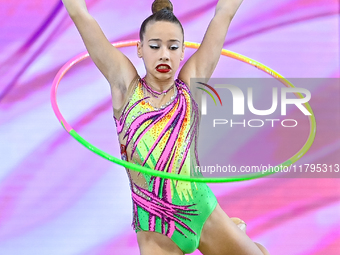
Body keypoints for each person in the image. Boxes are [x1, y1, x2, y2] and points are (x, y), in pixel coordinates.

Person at [62, 0, 270, 254]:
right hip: (154, 227)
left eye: (173, 47)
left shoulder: (190, 86)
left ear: (183, 52)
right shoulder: (125, 87)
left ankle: (241, 238)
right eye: (154, 46)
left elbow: (223, 14)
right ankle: (238, 233)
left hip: (201, 212)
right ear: (139, 49)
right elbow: (80, 14)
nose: (164, 55)